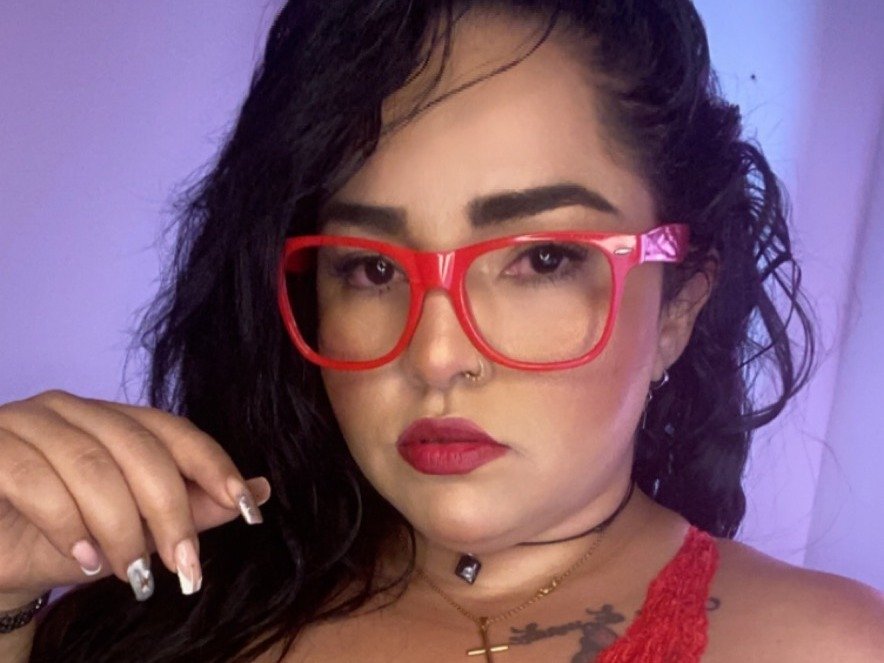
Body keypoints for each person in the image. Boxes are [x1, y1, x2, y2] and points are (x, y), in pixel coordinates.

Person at [1, 1, 882, 661]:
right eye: (370, 268)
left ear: (678, 307)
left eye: (541, 258)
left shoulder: (824, 645)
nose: (437, 355)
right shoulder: (166, 615)